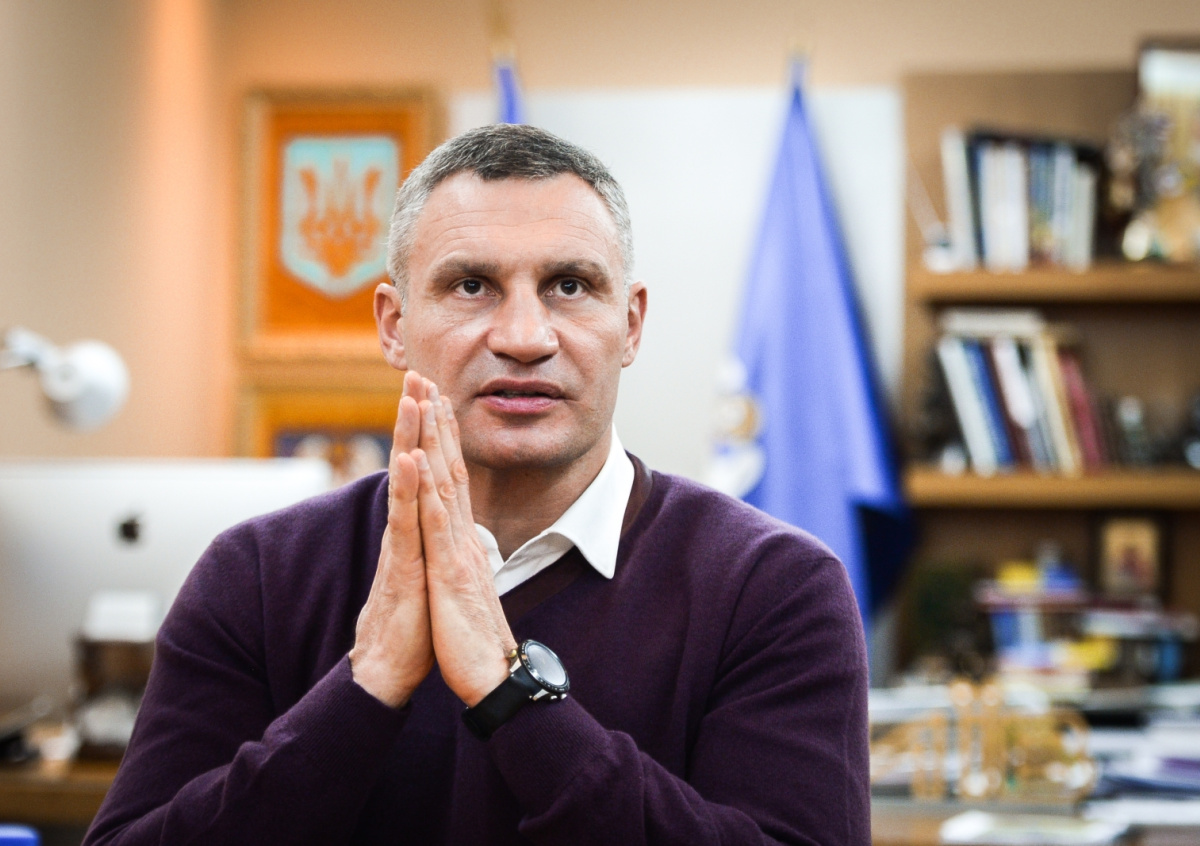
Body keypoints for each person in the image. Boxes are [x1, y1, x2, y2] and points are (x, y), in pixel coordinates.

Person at [84, 124, 869, 846]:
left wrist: (508, 691)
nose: (524, 337)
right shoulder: (257, 575)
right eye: (471, 286)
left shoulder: (776, 588)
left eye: (569, 285)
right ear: (393, 325)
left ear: (630, 324)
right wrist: (364, 689)